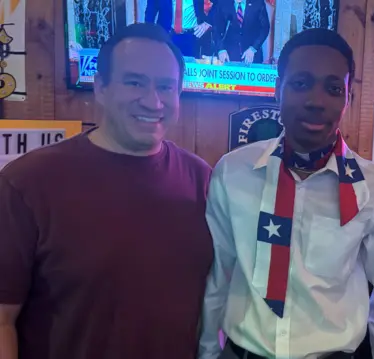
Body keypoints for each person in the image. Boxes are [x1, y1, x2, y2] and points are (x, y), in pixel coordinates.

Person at [0, 23, 214, 359]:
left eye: (165, 87)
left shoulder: (202, 180)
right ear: (100, 87)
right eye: (134, 82)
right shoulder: (28, 182)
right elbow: (2, 320)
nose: (152, 101)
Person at [198, 28, 374, 359]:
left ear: (347, 99)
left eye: (333, 88)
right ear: (276, 89)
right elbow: (218, 277)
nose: (316, 101)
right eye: (300, 83)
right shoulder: (232, 172)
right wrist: (207, 352)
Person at [145, 0, 216, 57]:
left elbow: (218, 4)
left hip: (193, 37)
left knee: (190, 70)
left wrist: (208, 22)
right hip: (167, 35)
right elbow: (150, 12)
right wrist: (149, 37)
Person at [213, 0, 270, 64]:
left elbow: (265, 28)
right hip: (228, 56)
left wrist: (253, 48)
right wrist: (221, 49)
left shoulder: (258, 2)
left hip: (252, 55)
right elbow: (216, 29)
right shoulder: (223, 3)